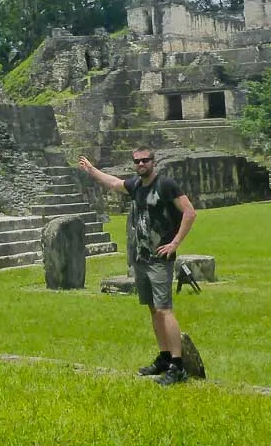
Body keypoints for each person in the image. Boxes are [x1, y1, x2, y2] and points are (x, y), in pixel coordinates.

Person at [79, 148, 197, 386]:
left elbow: (189, 212)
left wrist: (174, 243)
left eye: (145, 160)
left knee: (165, 309)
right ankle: (164, 357)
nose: (141, 164)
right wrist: (92, 171)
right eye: (137, 161)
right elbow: (114, 183)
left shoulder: (166, 185)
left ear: (153, 162)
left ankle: (178, 365)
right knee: (153, 309)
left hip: (159, 259)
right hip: (142, 258)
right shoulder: (136, 186)